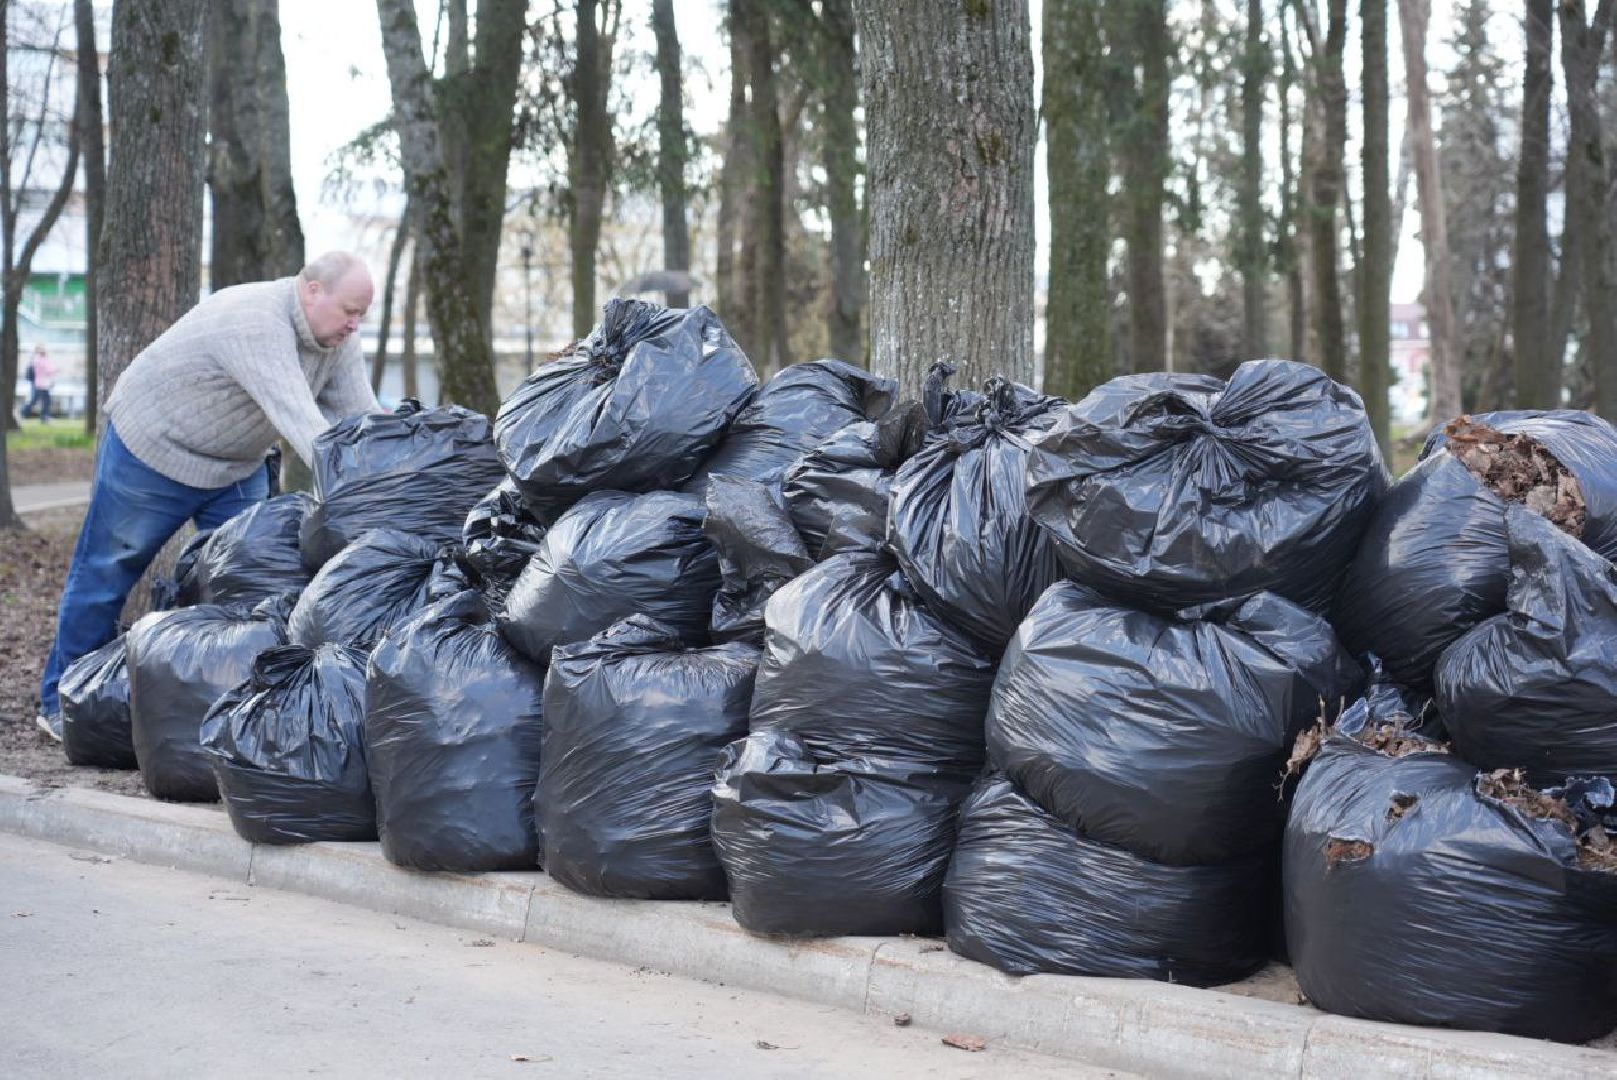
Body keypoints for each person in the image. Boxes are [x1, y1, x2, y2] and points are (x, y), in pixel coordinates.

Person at [35, 252, 382, 741]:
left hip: (235, 466)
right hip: (154, 452)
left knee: (260, 584)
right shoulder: (256, 321)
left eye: (361, 314)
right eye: (349, 310)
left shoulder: (336, 340)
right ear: (312, 290)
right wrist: (367, 492)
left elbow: (360, 418)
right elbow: (307, 429)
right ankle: (61, 703)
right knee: (106, 574)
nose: (355, 324)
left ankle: (242, 710)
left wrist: (405, 462)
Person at [20, 344, 55, 422]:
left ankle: (44, 417)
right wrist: (56, 370)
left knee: (46, 400)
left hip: (43, 384)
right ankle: (22, 413)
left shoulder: (41, 359)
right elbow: (47, 370)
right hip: (39, 384)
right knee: (35, 400)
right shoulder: (38, 360)